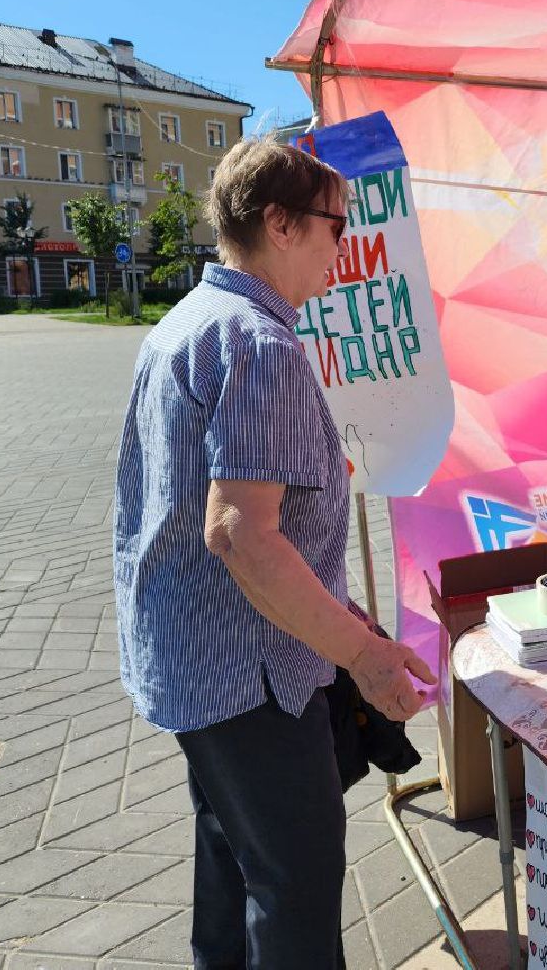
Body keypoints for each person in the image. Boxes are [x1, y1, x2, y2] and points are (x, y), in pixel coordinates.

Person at [113, 137, 435, 969]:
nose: (344, 246)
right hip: (251, 677)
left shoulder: (185, 325)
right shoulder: (259, 344)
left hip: (199, 668)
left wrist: (352, 618)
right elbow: (242, 536)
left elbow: (224, 524)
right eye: (336, 224)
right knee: (294, 886)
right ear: (281, 225)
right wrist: (364, 656)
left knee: (235, 867)